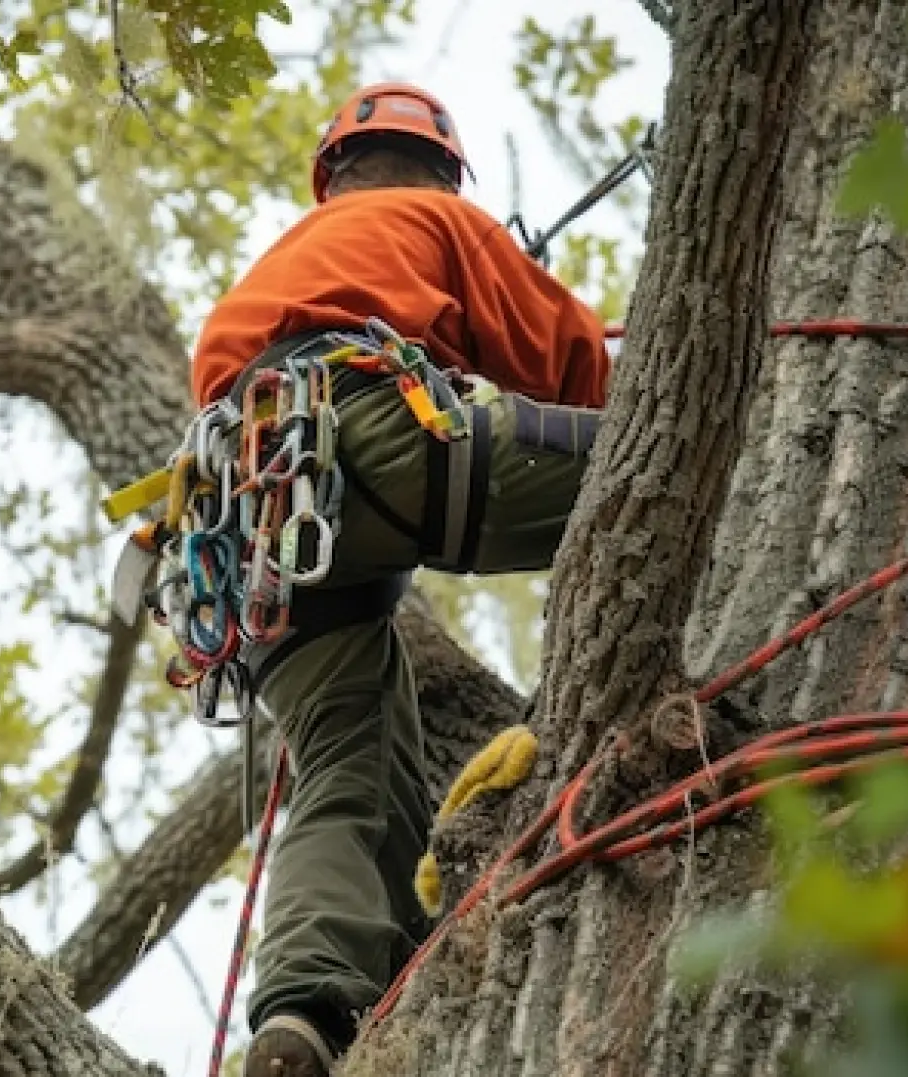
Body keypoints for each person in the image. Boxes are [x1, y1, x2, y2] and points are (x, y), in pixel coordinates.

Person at [187, 81, 612, 1077]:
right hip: (369, 438)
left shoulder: (274, 276)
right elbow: (578, 364)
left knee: (346, 770)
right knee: (668, 455)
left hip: (249, 527)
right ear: (445, 177)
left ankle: (305, 1014)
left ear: (331, 175)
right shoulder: (434, 221)